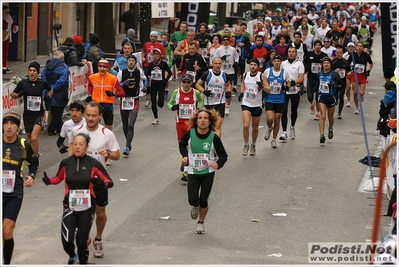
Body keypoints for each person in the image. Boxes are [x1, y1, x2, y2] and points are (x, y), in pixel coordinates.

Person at [43, 133, 113, 264]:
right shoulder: (66, 163)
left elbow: (109, 181)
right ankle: (72, 255)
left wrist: (101, 183)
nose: (77, 147)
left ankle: (83, 260)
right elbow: (58, 178)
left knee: (81, 241)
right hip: (70, 205)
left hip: (87, 206)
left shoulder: (93, 163)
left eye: (81, 144)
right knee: (67, 241)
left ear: (86, 146)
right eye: (75, 144)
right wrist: (49, 181)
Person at [68, 101, 121, 259]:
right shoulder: (76, 131)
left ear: (100, 116)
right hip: (79, 180)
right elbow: (71, 150)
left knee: (100, 212)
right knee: (78, 211)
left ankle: (98, 238)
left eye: (94, 115)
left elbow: (117, 155)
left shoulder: (107, 134)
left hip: (98, 179)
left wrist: (108, 154)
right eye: (88, 115)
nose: (90, 118)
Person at [179, 108, 228, 234]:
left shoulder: (214, 138)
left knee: (204, 200)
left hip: (208, 172)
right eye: (200, 118)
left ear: (209, 121)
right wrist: (184, 155)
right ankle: (196, 205)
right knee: (192, 200)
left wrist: (218, 164)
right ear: (196, 121)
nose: (202, 120)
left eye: (205, 118)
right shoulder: (190, 134)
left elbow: (223, 155)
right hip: (193, 172)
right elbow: (181, 144)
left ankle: (200, 222)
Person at [2, 111, 38, 265]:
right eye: (6, 123)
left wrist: (31, 176)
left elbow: (34, 163)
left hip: (14, 192)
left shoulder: (24, 144)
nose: (9, 127)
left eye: (13, 124)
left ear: (18, 127)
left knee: (6, 230)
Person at [11, 61, 51, 157]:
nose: (32, 72)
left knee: (34, 138)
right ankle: (35, 153)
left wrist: (48, 96)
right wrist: (19, 94)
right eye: (30, 70)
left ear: (37, 72)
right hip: (27, 114)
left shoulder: (42, 82)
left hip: (39, 114)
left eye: (34, 70)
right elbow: (12, 95)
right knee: (29, 139)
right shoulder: (23, 83)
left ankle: (35, 159)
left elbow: (50, 89)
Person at [168, 74, 204, 181]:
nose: (186, 84)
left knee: (190, 146)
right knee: (182, 145)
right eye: (184, 82)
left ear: (192, 83)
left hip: (191, 123)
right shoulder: (177, 92)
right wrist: (173, 107)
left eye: (188, 82)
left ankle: (186, 171)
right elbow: (169, 104)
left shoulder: (195, 92)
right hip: (180, 123)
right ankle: (184, 161)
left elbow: (201, 100)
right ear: (181, 82)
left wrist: (198, 108)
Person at [117, 54, 146, 156]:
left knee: (131, 125)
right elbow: (115, 86)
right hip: (124, 101)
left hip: (134, 100)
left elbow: (144, 79)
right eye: (129, 60)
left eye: (133, 61)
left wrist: (145, 86)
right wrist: (123, 84)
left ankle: (126, 146)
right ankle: (128, 142)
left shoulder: (139, 72)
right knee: (125, 125)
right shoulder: (121, 73)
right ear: (127, 62)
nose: (131, 62)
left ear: (135, 62)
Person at [195, 57, 231, 137]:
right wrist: (204, 91)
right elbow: (197, 85)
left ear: (221, 64)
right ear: (212, 64)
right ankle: (209, 142)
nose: (217, 65)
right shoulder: (207, 74)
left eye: (219, 64)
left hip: (220, 102)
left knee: (218, 125)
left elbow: (228, 84)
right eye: (216, 63)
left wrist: (228, 91)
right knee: (210, 125)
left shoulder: (224, 75)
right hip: (209, 103)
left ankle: (216, 145)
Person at [238, 58, 268, 156]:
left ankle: (253, 145)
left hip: (257, 104)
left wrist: (262, 86)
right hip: (246, 103)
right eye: (251, 64)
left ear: (258, 66)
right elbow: (243, 84)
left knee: (255, 127)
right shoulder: (245, 75)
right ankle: (246, 144)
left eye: (255, 65)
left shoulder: (261, 76)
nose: (253, 66)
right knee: (246, 125)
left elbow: (269, 89)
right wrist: (241, 93)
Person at [86, 59, 125, 130]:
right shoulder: (92, 77)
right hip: (96, 105)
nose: (102, 69)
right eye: (100, 67)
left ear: (107, 68)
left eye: (104, 67)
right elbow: (90, 85)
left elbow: (122, 92)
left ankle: (107, 140)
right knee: (94, 126)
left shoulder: (113, 78)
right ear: (97, 67)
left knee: (108, 128)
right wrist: (89, 95)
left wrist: (113, 94)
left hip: (108, 106)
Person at [41, 50, 70, 136]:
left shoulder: (48, 66)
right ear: (62, 58)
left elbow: (43, 78)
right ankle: (52, 129)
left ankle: (60, 128)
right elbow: (62, 81)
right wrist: (52, 89)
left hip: (49, 93)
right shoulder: (64, 67)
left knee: (54, 111)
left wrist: (47, 89)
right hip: (60, 93)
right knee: (58, 112)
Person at [263, 55, 290, 148]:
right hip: (269, 98)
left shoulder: (284, 72)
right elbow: (263, 81)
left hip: (280, 99)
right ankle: (269, 128)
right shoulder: (267, 71)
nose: (277, 63)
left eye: (278, 61)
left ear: (280, 62)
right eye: (275, 61)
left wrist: (287, 85)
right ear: (272, 62)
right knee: (270, 118)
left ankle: (274, 139)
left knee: (277, 119)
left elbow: (288, 81)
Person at [313, 57, 342, 143]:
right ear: (322, 65)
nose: (326, 64)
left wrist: (334, 85)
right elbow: (317, 86)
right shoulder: (319, 74)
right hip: (322, 97)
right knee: (323, 116)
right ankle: (322, 135)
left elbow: (341, 86)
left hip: (331, 98)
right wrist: (314, 96)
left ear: (330, 65)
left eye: (327, 63)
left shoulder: (334, 75)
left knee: (330, 117)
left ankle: (330, 128)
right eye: (324, 63)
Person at [279, 46, 305, 141]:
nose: (291, 53)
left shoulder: (299, 64)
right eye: (289, 52)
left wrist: (293, 82)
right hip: (285, 90)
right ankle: (284, 132)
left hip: (295, 90)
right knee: (284, 110)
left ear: (296, 53)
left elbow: (301, 78)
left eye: (293, 52)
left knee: (294, 110)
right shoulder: (283, 64)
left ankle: (292, 127)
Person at [214, 35, 239, 115]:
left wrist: (236, 62)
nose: (225, 41)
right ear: (222, 41)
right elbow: (214, 59)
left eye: (227, 40)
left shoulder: (232, 49)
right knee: (221, 89)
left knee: (228, 90)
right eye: (224, 40)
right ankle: (220, 104)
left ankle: (227, 106)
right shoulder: (218, 50)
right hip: (221, 71)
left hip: (230, 71)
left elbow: (237, 56)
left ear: (229, 41)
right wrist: (221, 59)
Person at [304, 39, 328, 120]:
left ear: (321, 47)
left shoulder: (324, 56)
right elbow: (305, 62)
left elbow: (327, 64)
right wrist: (306, 70)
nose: (317, 47)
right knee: (310, 96)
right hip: (310, 77)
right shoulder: (309, 54)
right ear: (314, 47)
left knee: (318, 97)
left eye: (319, 45)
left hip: (320, 79)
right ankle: (312, 103)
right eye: (316, 45)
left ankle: (317, 113)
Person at [147, 48, 172, 125]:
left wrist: (165, 80)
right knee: (153, 102)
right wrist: (149, 77)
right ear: (153, 55)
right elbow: (148, 73)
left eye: (158, 54)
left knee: (160, 103)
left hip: (161, 84)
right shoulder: (151, 64)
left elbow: (170, 72)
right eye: (155, 54)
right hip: (153, 84)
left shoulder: (163, 64)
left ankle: (161, 103)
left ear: (160, 55)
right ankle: (156, 118)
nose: (156, 55)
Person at [347, 42, 373, 114]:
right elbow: (347, 63)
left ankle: (361, 96)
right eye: (358, 46)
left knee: (361, 93)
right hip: (354, 75)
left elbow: (371, 63)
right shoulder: (353, 55)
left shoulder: (366, 55)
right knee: (355, 92)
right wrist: (349, 70)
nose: (359, 48)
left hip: (362, 75)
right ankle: (357, 107)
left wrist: (369, 70)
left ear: (363, 47)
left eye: (361, 46)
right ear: (355, 47)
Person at [141, 31, 166, 108]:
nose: (152, 38)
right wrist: (143, 57)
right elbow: (143, 51)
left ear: (157, 37)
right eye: (151, 36)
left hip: (156, 66)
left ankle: (157, 96)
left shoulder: (160, 45)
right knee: (148, 81)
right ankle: (148, 98)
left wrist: (156, 56)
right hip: (147, 65)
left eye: (154, 36)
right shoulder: (146, 44)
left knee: (155, 81)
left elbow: (164, 56)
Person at [331, 46, 351, 119]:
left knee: (341, 97)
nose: (339, 54)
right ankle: (335, 101)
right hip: (335, 82)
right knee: (335, 97)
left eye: (340, 53)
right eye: (337, 53)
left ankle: (339, 113)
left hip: (342, 82)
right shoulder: (333, 62)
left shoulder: (346, 62)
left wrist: (349, 73)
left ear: (342, 53)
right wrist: (334, 72)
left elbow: (349, 70)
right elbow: (329, 71)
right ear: (335, 53)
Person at [2, 5, 18, 74]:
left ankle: (4, 65)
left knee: (6, 52)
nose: (8, 13)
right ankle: (3, 66)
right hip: (3, 37)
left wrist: (14, 27)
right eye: (6, 12)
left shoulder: (8, 18)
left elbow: (11, 25)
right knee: (3, 52)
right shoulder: (3, 18)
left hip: (7, 37)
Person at [161, 32, 175, 98]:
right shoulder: (160, 45)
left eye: (165, 38)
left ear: (167, 38)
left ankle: (166, 90)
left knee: (166, 78)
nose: (163, 39)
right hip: (161, 63)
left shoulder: (170, 45)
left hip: (168, 63)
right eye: (162, 38)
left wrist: (173, 62)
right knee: (161, 77)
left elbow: (174, 53)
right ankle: (162, 90)